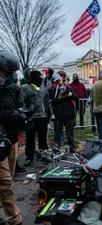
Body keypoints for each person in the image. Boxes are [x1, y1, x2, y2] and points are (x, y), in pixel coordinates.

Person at [0, 50, 23, 225]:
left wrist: (23, 118)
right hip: (0, 140)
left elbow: (20, 107)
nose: (10, 77)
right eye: (7, 73)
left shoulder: (14, 89)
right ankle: (14, 219)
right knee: (5, 182)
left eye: (12, 74)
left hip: (12, 139)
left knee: (8, 180)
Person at [21, 70, 49, 167]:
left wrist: (49, 114)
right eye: (38, 78)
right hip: (32, 118)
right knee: (30, 139)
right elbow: (22, 102)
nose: (40, 80)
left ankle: (44, 154)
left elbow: (46, 102)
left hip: (43, 117)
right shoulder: (25, 88)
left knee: (43, 138)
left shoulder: (43, 89)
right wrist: (26, 115)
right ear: (33, 78)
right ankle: (29, 157)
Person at [49, 73, 78, 153]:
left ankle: (72, 147)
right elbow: (52, 101)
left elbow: (76, 97)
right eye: (58, 81)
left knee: (70, 132)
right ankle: (56, 147)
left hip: (69, 114)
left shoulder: (69, 88)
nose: (60, 82)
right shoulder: (52, 89)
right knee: (58, 132)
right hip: (59, 114)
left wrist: (70, 95)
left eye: (62, 80)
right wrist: (59, 98)